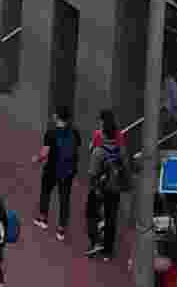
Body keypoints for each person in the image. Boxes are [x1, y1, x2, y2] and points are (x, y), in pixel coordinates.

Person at [31, 105, 81, 241]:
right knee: (64, 198)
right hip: (68, 171)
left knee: (46, 191)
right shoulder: (75, 132)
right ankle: (61, 229)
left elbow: (45, 153)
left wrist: (37, 158)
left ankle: (43, 218)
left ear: (57, 117)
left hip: (52, 169)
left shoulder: (51, 132)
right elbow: (77, 148)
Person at [86, 110, 130, 261]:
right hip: (114, 185)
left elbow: (92, 169)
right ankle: (108, 250)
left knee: (92, 213)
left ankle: (95, 242)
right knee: (112, 216)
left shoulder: (98, 138)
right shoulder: (120, 138)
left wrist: (93, 186)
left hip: (100, 185)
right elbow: (124, 160)